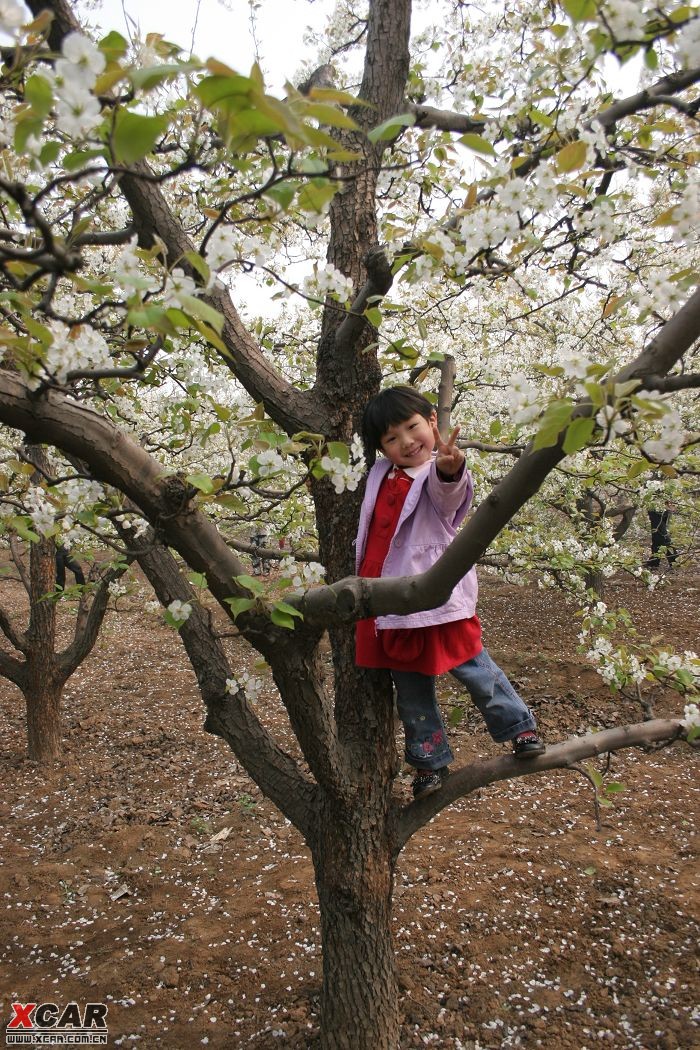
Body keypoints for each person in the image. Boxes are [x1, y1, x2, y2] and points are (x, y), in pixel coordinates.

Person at [355, 386, 545, 800]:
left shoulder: (437, 470)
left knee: (475, 668)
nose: (406, 441)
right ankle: (429, 762)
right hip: (390, 603)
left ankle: (519, 727)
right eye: (391, 438)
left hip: (435, 596)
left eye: (412, 427)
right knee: (411, 693)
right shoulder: (378, 476)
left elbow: (448, 498)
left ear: (431, 423)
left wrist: (450, 468)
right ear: (381, 449)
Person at [646, 505, 677, 569]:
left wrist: (669, 506)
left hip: (658, 509)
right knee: (658, 537)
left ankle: (674, 562)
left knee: (662, 537)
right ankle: (654, 562)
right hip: (656, 508)